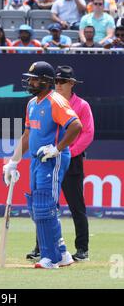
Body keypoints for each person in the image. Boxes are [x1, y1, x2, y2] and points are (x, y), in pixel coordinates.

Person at [3, 61, 82, 269]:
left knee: (45, 206)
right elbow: (28, 134)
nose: (30, 82)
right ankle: (62, 253)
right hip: (36, 160)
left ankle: (51, 258)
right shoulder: (31, 104)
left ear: (47, 81)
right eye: (29, 78)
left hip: (53, 159)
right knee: (36, 207)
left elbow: (76, 126)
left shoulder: (56, 101)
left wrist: (57, 148)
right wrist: (13, 161)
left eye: (34, 78)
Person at [55, 65, 94, 261]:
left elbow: (87, 133)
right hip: (51, 158)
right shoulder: (51, 103)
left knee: (76, 207)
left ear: (71, 84)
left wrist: (68, 151)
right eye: (56, 81)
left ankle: (82, 250)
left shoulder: (82, 105)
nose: (58, 85)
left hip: (72, 159)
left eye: (62, 82)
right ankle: (42, 247)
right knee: (47, 205)